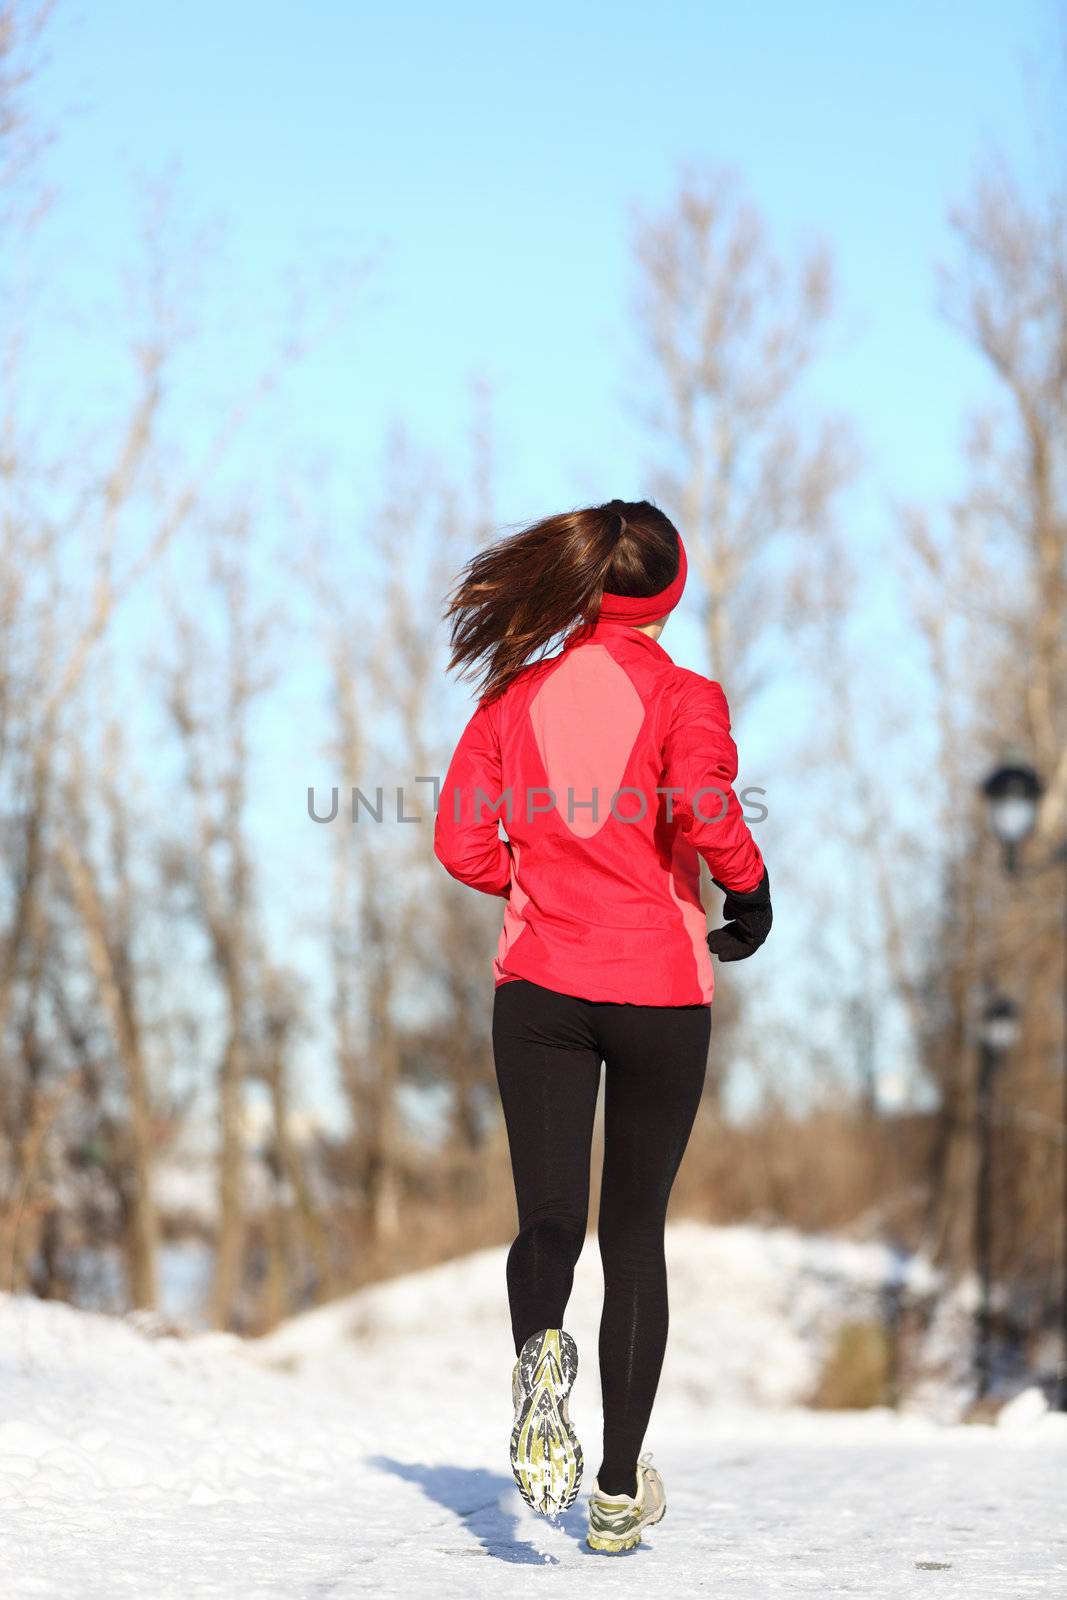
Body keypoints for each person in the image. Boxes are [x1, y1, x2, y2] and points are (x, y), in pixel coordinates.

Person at [432, 498, 772, 1554]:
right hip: (659, 991)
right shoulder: (684, 695)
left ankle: (540, 1351)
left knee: (548, 1224)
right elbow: (703, 802)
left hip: (538, 989)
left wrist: (526, 879)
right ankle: (616, 1491)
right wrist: (747, 891)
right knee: (633, 1237)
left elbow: (457, 841)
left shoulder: (512, 697)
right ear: (669, 591)